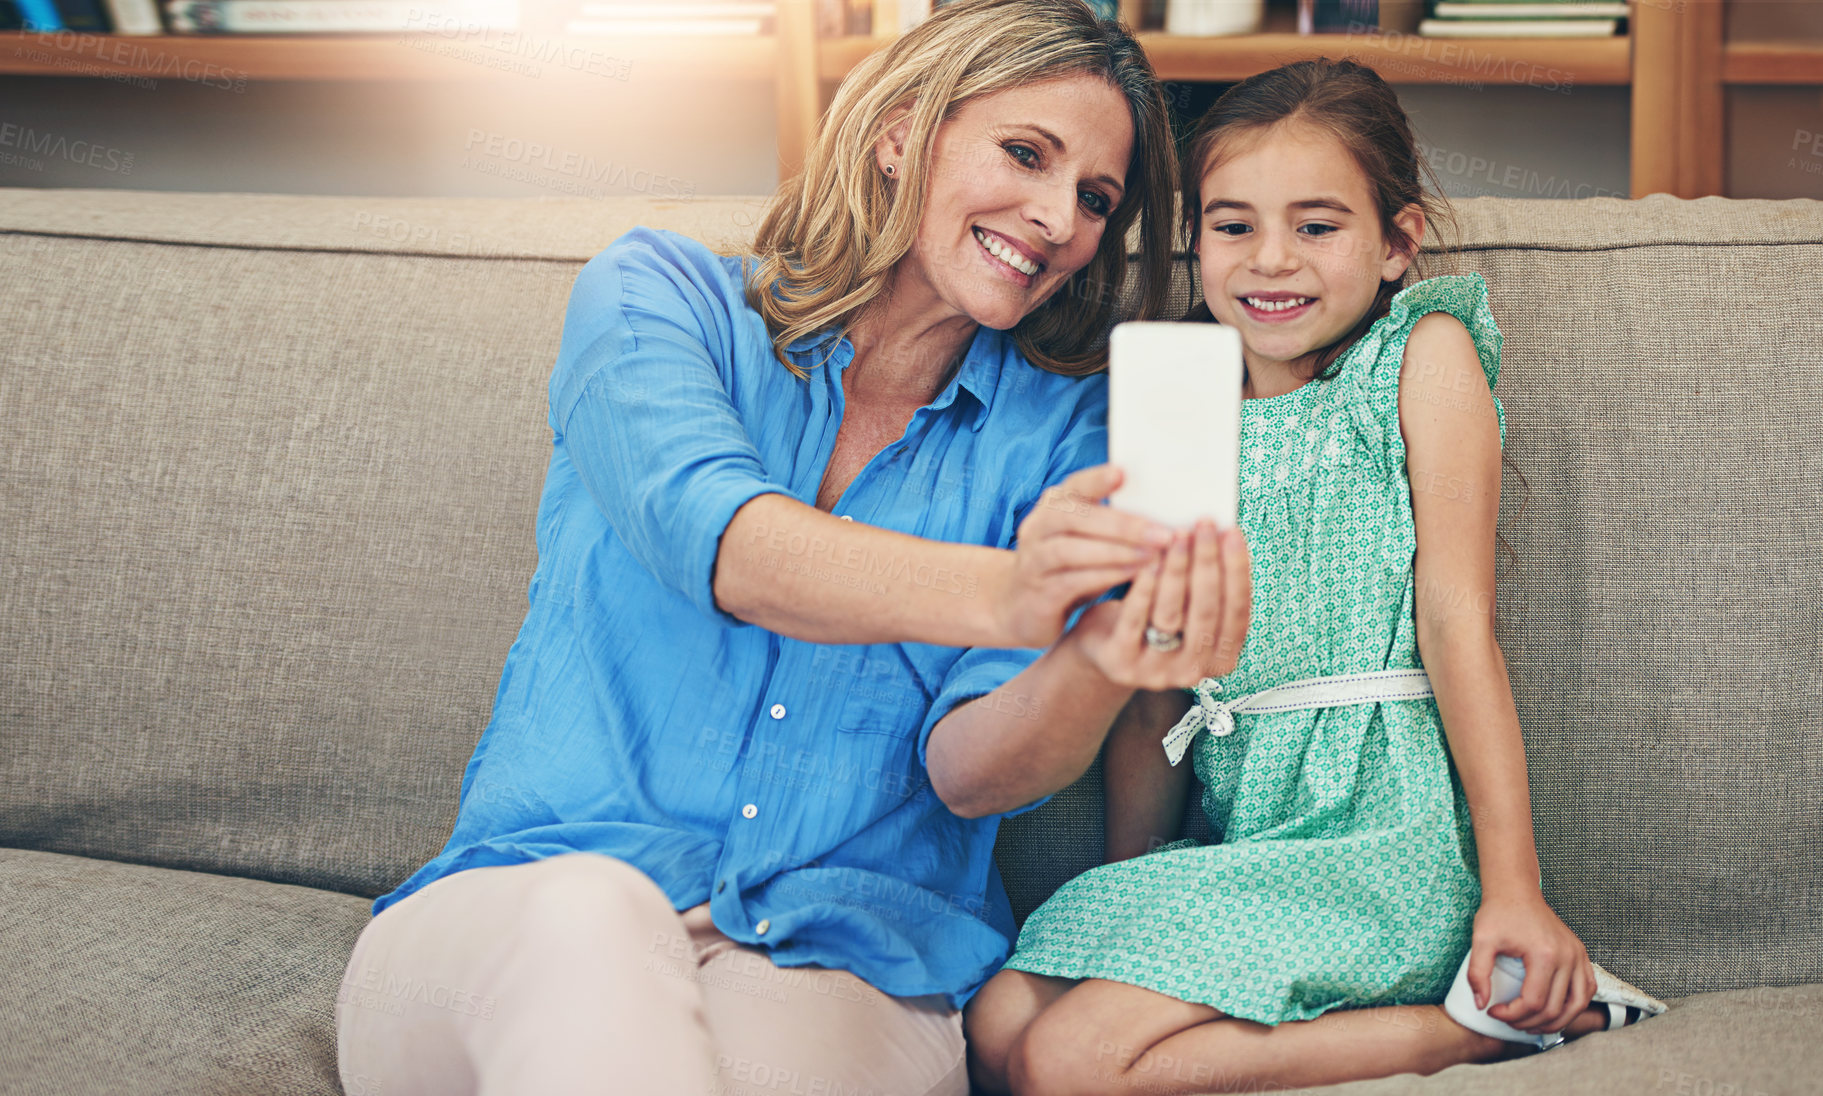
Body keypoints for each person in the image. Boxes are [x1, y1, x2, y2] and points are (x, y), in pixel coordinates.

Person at [332, 3, 1252, 1095]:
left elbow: (970, 776)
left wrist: (1096, 654)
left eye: (1095, 199)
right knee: (592, 914)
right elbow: (731, 549)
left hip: (848, 950)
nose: (1057, 218)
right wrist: (1010, 591)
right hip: (525, 907)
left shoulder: (1056, 437)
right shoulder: (657, 301)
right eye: (1023, 154)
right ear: (901, 132)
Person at [963, 58, 1666, 1096]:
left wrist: (1511, 892)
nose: (1270, 259)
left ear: (1395, 242)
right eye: (1232, 224)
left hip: (1381, 843)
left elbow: (1455, 624)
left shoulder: (1418, 356)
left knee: (1069, 1061)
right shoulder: (1178, 403)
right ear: (1192, 237)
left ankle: (1474, 1030)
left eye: (1317, 225)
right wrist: (1132, 876)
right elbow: (1157, 679)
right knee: (996, 1023)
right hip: (1249, 849)